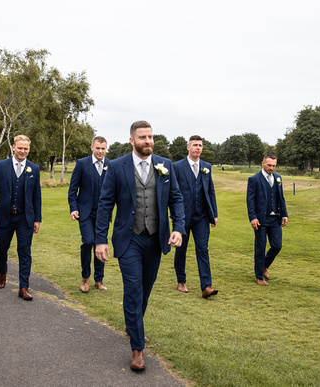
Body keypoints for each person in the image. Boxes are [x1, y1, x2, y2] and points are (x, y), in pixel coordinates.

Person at [95, 120, 185, 371]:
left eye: (150, 137)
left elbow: (176, 198)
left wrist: (178, 228)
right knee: (133, 289)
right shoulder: (116, 166)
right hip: (129, 238)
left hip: (155, 238)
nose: (148, 141)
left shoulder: (165, 165)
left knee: (146, 288)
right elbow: (105, 204)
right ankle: (137, 348)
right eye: (143, 137)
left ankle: (133, 323)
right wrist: (100, 240)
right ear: (132, 140)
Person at [0, 135, 42, 300]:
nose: (22, 151)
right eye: (20, 148)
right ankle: (2, 272)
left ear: (29, 149)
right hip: (4, 216)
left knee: (24, 252)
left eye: (25, 148)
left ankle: (23, 287)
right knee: (1, 249)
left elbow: (37, 197)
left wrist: (37, 219)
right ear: (13, 147)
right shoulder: (1, 166)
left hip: (25, 218)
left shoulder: (34, 169)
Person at [172, 135, 219, 298]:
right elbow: (173, 193)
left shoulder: (207, 166)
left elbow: (210, 191)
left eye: (200, 145)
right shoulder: (177, 167)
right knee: (181, 249)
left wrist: (214, 214)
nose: (198, 148)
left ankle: (206, 286)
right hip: (182, 217)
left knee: (203, 250)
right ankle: (181, 280)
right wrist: (174, 216)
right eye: (195, 145)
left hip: (202, 217)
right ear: (188, 147)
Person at [68, 136, 110, 293]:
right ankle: (85, 277)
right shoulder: (82, 164)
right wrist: (73, 208)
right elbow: (73, 189)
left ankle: (99, 280)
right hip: (85, 212)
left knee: (101, 244)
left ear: (106, 149)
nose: (100, 151)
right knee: (88, 242)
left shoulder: (110, 165)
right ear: (92, 148)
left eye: (103, 148)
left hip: (103, 214)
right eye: (97, 148)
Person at [246, 154, 288, 286]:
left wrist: (284, 215)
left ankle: (264, 266)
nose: (271, 168)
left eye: (274, 165)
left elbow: (281, 198)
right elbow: (250, 200)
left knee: (277, 245)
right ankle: (259, 276)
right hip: (260, 220)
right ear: (262, 163)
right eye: (269, 165)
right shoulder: (254, 179)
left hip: (275, 219)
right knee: (260, 247)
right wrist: (253, 217)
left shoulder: (278, 178)